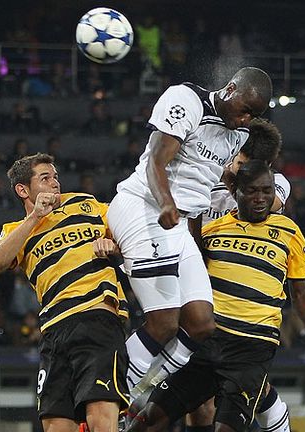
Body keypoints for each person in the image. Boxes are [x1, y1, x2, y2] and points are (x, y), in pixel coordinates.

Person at [125, 160, 305, 432]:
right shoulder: (213, 229)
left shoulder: (289, 232)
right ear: (235, 191)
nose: (261, 198)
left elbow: (300, 293)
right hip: (207, 341)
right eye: (252, 191)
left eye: (267, 190)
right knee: (149, 420)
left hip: (251, 349)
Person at [106, 67, 272, 398]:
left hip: (178, 224)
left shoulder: (237, 136)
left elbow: (198, 195)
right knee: (165, 322)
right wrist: (167, 203)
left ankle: (139, 394)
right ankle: (110, 398)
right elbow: (156, 160)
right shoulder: (186, 99)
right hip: (143, 207)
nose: (246, 120)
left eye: (255, 115)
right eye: (246, 109)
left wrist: (195, 243)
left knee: (200, 324)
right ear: (229, 89)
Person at [0, 153, 130, 432]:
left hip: (97, 315)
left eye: (56, 176)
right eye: (45, 178)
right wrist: (35, 216)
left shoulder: (83, 203)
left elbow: (130, 231)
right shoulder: (17, 231)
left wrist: (115, 246)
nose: (55, 183)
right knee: (56, 425)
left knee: (101, 416)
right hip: (53, 330)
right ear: (23, 190)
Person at [190, 119, 291, 431]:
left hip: (248, 304)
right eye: (236, 157)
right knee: (198, 393)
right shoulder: (207, 181)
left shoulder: (274, 185)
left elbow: (264, 208)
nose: (235, 162)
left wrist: (232, 179)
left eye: (242, 160)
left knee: (242, 385)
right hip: (205, 292)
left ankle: (277, 419)